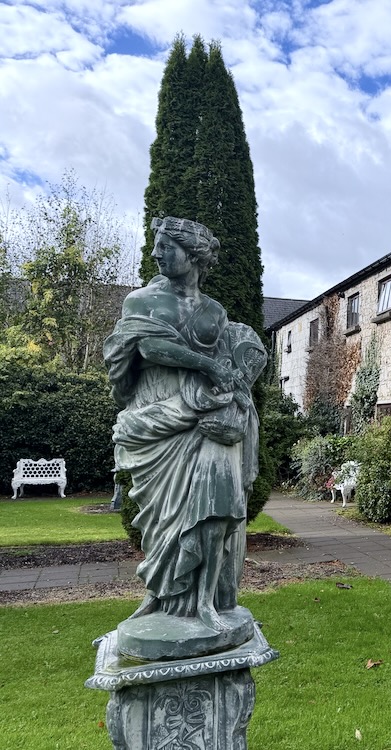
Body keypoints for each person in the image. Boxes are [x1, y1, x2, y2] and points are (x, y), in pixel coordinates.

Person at [104, 217, 266, 650]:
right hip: (159, 417)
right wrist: (209, 365)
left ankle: (207, 599)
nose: (156, 254)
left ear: (192, 255)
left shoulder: (215, 311)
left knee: (217, 507)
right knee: (162, 520)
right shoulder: (142, 300)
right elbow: (147, 347)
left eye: (165, 247)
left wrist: (235, 391)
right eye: (156, 246)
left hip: (207, 417)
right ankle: (160, 595)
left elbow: (236, 358)